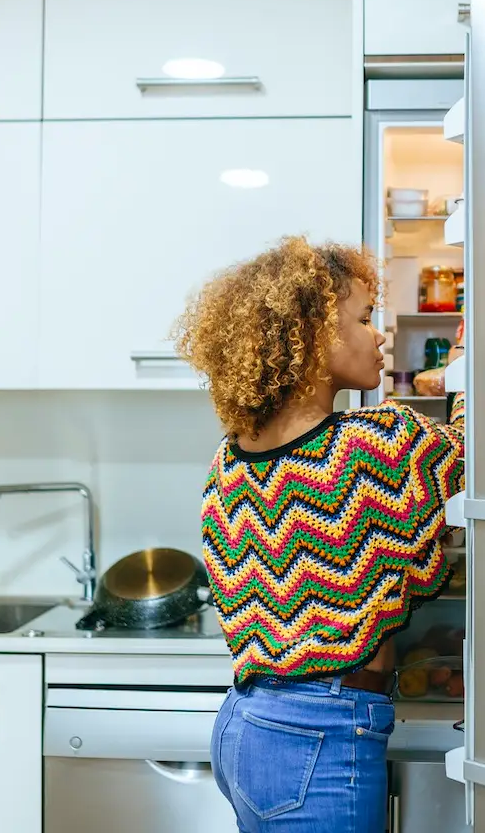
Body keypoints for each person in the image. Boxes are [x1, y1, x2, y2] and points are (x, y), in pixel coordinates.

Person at [172, 235, 465, 832]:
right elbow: (469, 449)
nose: (380, 334)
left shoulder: (229, 459)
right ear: (311, 337)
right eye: (364, 318)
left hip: (246, 726)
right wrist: (467, 368)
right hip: (321, 737)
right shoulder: (368, 446)